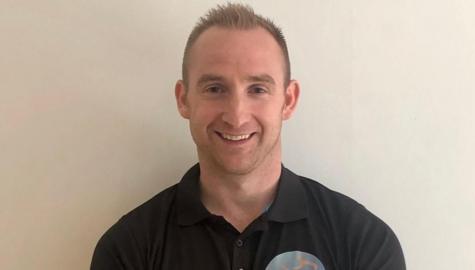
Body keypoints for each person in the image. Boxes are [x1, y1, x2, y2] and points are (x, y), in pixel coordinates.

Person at [90, 3, 406, 270]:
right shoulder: (128, 249)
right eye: (215, 89)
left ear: (289, 99)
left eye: (257, 89)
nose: (237, 115)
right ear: (184, 99)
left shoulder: (361, 241)